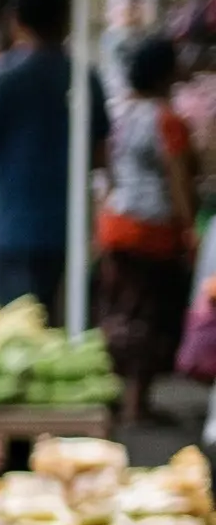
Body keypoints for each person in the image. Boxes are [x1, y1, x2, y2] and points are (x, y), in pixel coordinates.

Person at [0, 0, 107, 307]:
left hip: (9, 225)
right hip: (65, 224)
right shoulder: (84, 77)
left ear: (15, 20)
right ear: (64, 19)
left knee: (11, 325)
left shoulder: (0, 77)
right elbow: (100, 156)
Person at [98, 37, 198, 421]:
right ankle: (137, 402)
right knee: (149, 316)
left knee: (119, 311)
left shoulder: (121, 114)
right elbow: (178, 181)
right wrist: (188, 230)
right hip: (152, 232)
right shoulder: (167, 120)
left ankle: (122, 395)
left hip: (115, 223)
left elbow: (107, 169)